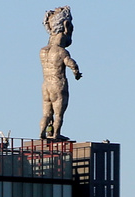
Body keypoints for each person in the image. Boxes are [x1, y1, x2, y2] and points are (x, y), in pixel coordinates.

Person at [40, 7, 83, 140]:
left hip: (46, 85)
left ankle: (42, 133)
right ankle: (56, 134)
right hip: (58, 84)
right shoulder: (61, 51)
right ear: (66, 26)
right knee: (58, 114)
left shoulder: (43, 51)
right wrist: (76, 73)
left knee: (47, 113)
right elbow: (71, 64)